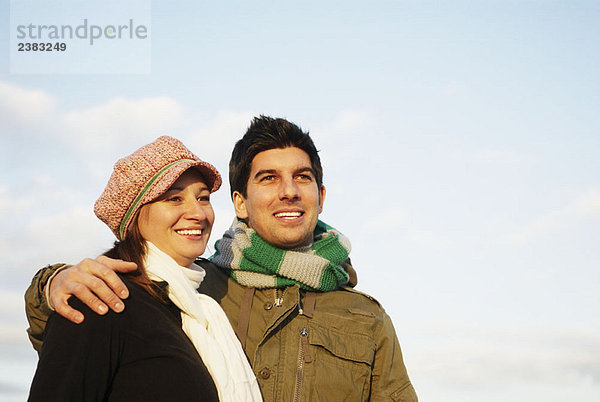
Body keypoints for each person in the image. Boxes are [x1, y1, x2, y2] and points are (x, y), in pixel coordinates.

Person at [26, 116, 418, 401]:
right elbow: (73, 338)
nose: (289, 192)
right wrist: (53, 281)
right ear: (240, 203)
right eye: (268, 178)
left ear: (321, 196)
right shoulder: (191, 290)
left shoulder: (365, 320)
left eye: (302, 178)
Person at [28, 136, 262, 401]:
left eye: (203, 198)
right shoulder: (101, 300)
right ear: (134, 217)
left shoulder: (196, 309)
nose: (198, 213)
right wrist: (51, 280)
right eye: (174, 199)